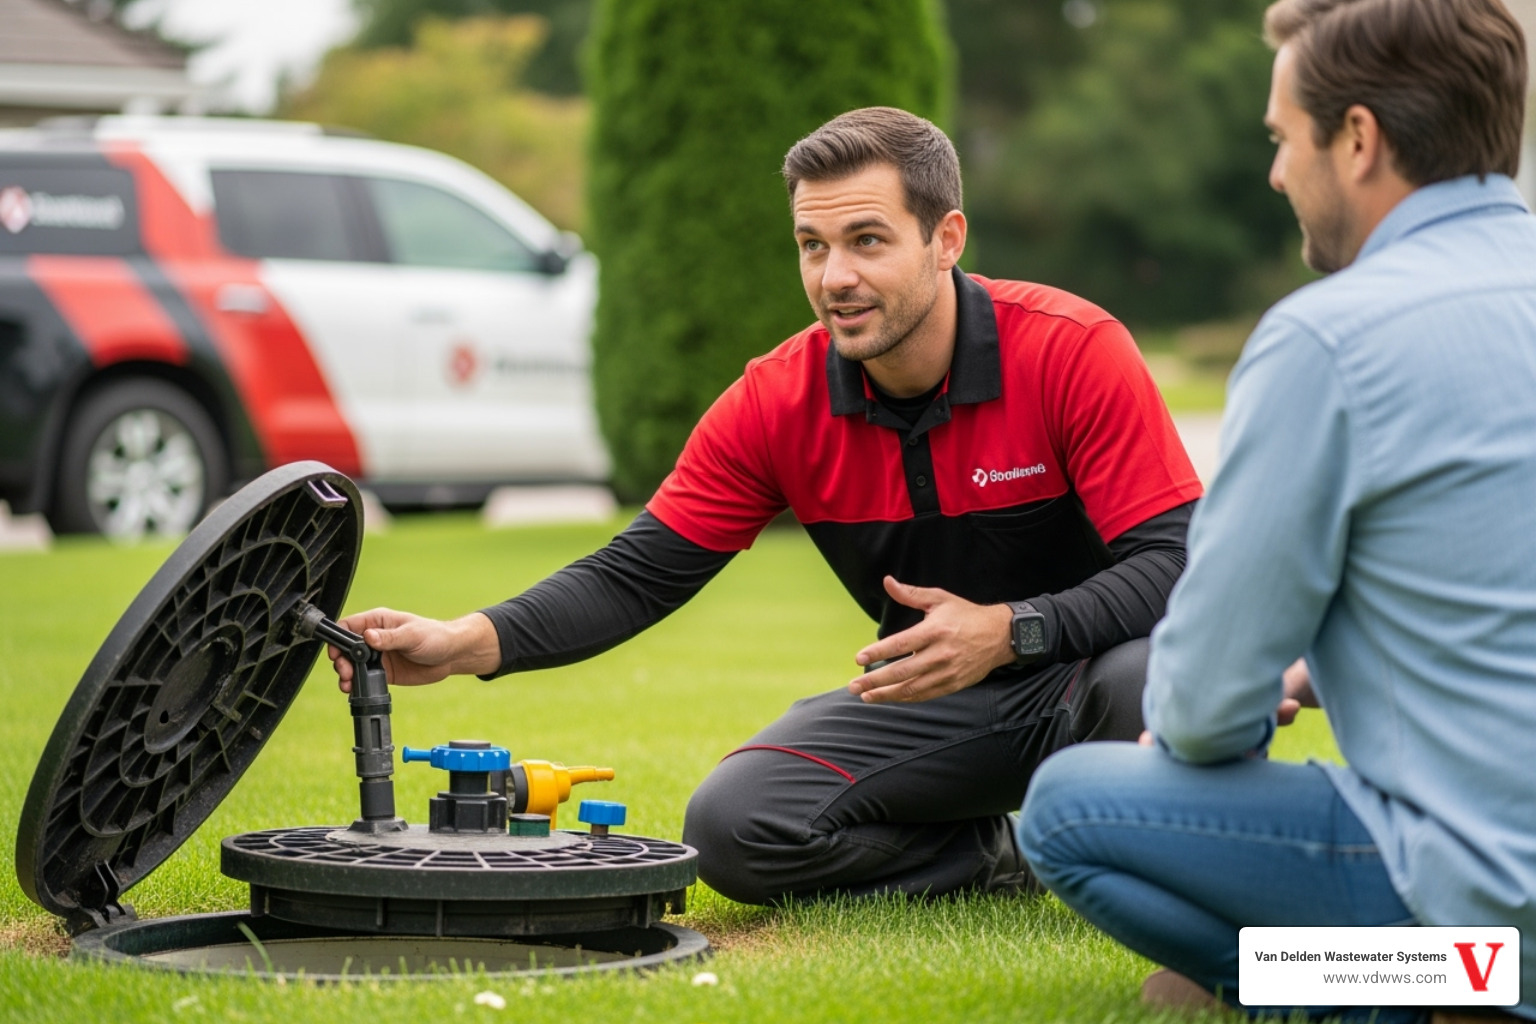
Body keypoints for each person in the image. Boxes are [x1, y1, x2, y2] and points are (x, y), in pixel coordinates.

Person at [332, 107, 1203, 905]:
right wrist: (461, 643)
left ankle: (1131, 861)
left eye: (867, 240)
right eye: (812, 245)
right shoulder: (774, 401)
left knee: (1155, 677)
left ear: (947, 239)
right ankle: (994, 857)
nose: (836, 278)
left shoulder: (1070, 350)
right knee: (733, 829)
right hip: (934, 700)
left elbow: (1180, 566)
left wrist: (1013, 629)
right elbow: (639, 573)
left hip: (1096, 678)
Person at [1017, 1, 1536, 1021]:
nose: (1274, 173)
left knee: (1066, 808)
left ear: (1355, 140)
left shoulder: (1330, 342)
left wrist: (1247, 692)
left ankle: (1415, 994)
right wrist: (1329, 663)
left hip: (1491, 908)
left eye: (1281, 138)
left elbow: (1204, 704)